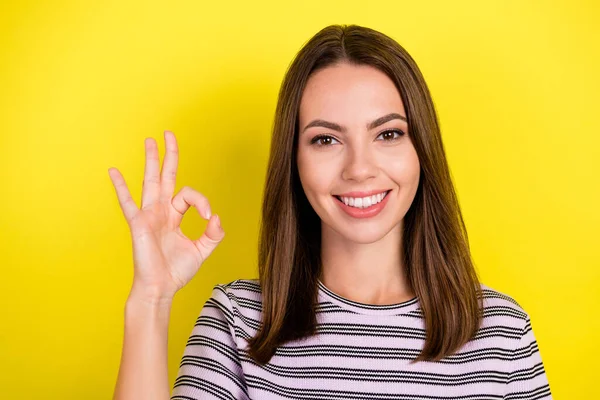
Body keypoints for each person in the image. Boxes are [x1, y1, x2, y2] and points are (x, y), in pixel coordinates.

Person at [109, 24, 552, 400]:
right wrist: (152, 298)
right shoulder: (238, 320)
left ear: (422, 150)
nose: (359, 168)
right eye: (326, 139)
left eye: (388, 134)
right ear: (294, 160)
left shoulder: (503, 335)